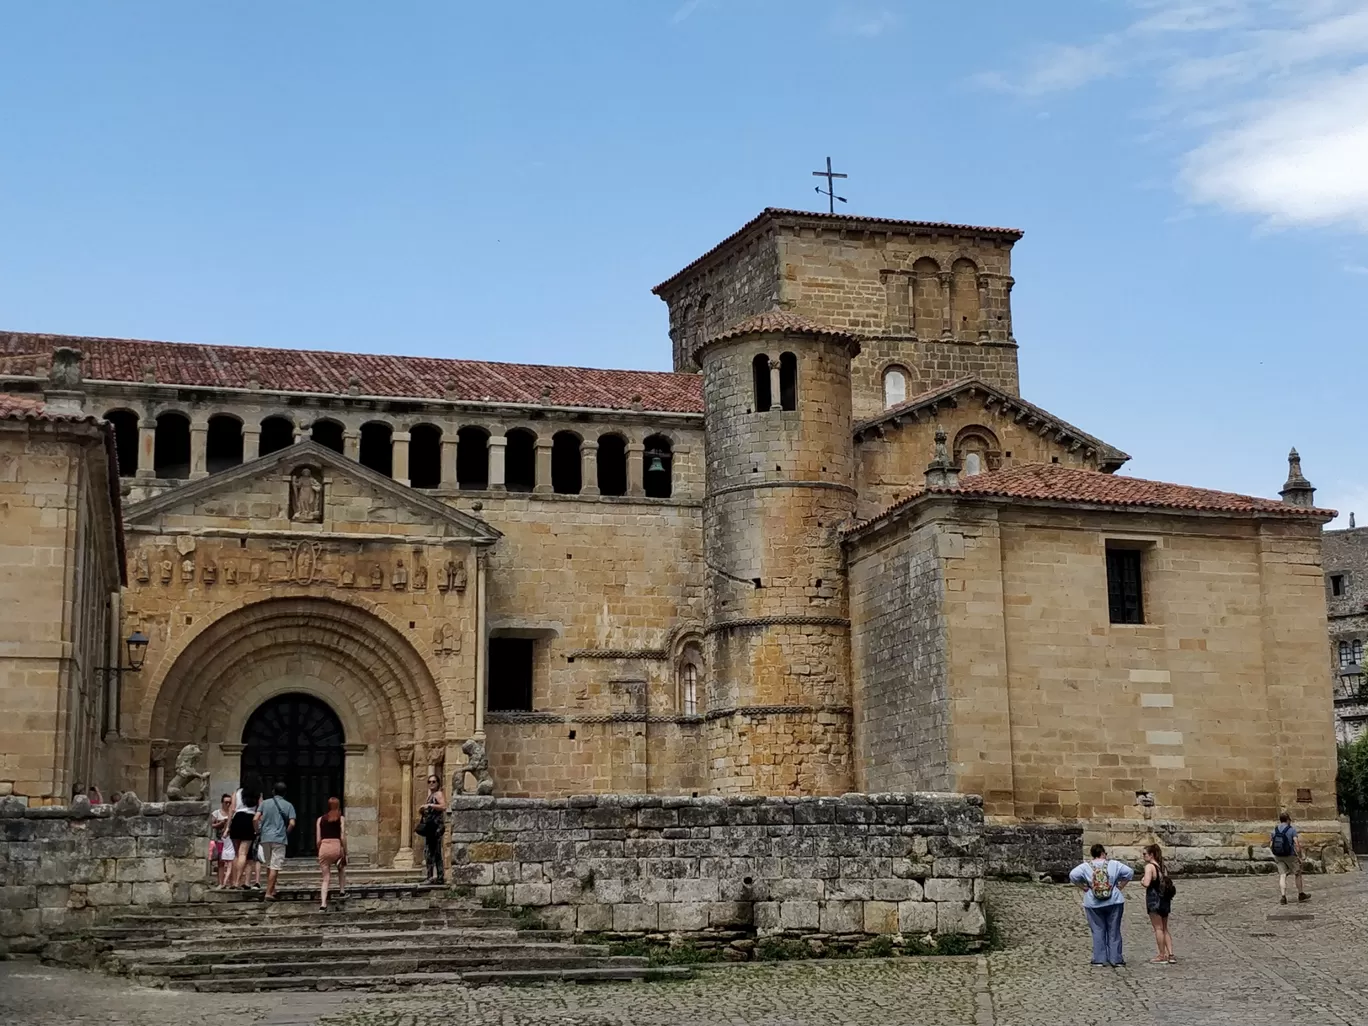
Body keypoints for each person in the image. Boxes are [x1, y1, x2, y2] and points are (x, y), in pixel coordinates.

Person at [1069, 843, 1134, 967]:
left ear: (1092, 855)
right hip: (1114, 900)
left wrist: (1083, 887)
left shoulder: (1085, 867)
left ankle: (1099, 959)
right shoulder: (1114, 864)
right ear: (1103, 853)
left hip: (1093, 902)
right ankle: (1116, 959)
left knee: (1097, 930)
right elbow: (1129, 872)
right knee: (1114, 930)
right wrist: (1121, 886)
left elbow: (1072, 875)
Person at [255, 781, 297, 900]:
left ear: (273, 791)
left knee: (269, 864)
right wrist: (286, 832)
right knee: (275, 866)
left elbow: (255, 818)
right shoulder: (288, 805)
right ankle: (268, 892)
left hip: (265, 837)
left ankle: (271, 889)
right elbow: (292, 823)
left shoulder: (265, 803)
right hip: (279, 838)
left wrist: (257, 830)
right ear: (285, 793)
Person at [1140, 843, 1176, 964]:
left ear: (1151, 855)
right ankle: (1171, 954)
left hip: (1154, 900)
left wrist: (1142, 881)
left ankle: (1161, 955)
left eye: (1145, 854)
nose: (1143, 856)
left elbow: (1146, 883)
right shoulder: (1162, 867)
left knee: (1158, 929)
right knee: (1165, 928)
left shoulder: (1149, 867)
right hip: (1165, 899)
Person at [1271, 811, 1310, 905]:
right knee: (1298, 873)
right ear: (1288, 820)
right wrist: (1300, 856)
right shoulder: (1291, 830)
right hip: (1290, 855)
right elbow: (1296, 844)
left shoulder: (1274, 830)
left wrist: (1276, 854)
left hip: (1279, 856)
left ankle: (1283, 897)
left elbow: (1271, 844)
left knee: (1282, 875)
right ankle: (1301, 894)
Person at [316, 797, 347, 911]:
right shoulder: (341, 818)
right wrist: (344, 850)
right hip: (336, 846)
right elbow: (343, 836)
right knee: (341, 867)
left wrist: (320, 850)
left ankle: (323, 904)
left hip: (324, 847)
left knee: (325, 878)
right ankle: (342, 891)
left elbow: (318, 840)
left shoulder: (320, 820)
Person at [227, 785, 261, 889]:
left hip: (237, 819)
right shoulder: (257, 794)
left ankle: (233, 882)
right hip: (249, 819)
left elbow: (232, 809)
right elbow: (260, 810)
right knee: (243, 853)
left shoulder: (237, 792)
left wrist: (228, 826)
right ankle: (238, 881)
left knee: (236, 854)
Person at [418, 773, 447, 884]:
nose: (431, 783)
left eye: (434, 781)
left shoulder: (438, 794)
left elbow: (444, 806)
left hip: (436, 827)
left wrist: (430, 806)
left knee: (433, 852)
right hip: (431, 826)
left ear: (438, 783)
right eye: (429, 782)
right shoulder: (430, 796)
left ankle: (434, 877)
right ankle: (435, 877)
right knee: (430, 851)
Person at [209, 794, 232, 884]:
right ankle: (220, 882)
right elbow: (211, 825)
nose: (228, 804)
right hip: (220, 840)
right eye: (226, 802)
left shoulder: (233, 813)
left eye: (230, 802)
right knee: (221, 862)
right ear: (222, 803)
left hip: (230, 840)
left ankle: (231, 882)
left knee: (231, 862)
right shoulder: (216, 813)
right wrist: (221, 823)